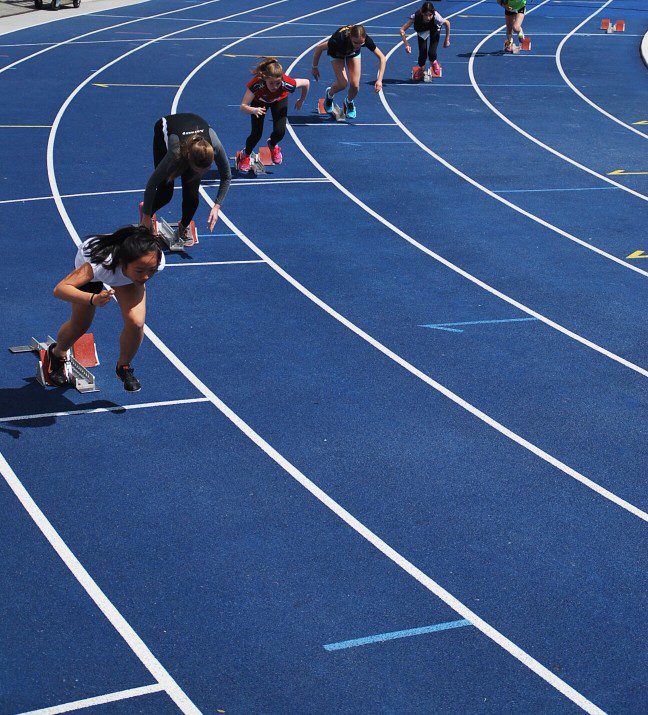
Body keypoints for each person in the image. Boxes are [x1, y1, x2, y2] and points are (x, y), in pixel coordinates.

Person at [48, 226, 167, 393]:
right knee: (80, 324)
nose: (146, 276)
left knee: (136, 322)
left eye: (151, 271)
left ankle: (123, 367)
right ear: (122, 263)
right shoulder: (98, 264)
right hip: (94, 269)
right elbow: (60, 289)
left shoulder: (155, 260)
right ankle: (57, 353)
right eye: (140, 271)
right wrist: (93, 299)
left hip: (125, 275)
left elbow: (143, 270)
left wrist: (138, 273)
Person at [140, 113, 231, 245]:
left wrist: (216, 206)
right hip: (166, 129)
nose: (203, 173)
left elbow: (226, 176)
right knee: (165, 193)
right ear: (190, 161)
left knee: (192, 198)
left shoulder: (214, 145)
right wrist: (147, 216)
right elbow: (152, 183)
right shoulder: (175, 153)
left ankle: (182, 227)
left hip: (193, 128)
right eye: (200, 170)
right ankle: (147, 209)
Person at [236, 57, 309, 173]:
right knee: (256, 135)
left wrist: (301, 100)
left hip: (279, 101)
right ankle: (245, 155)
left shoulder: (287, 84)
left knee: (280, 132)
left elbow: (306, 83)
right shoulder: (257, 84)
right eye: (271, 83)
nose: (275, 87)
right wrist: (253, 110)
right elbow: (243, 106)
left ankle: (272, 144)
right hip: (259, 104)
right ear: (264, 79)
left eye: (277, 83)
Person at [311, 24, 386, 119]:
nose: (358, 46)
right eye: (355, 42)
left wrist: (379, 80)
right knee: (343, 84)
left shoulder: (365, 40)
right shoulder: (338, 40)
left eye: (361, 43)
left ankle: (349, 101)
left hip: (352, 53)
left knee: (355, 85)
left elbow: (382, 58)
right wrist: (314, 67)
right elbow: (319, 48)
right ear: (350, 36)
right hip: (337, 53)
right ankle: (329, 95)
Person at [400, 2, 450, 80]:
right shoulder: (415, 16)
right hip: (422, 30)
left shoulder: (436, 17)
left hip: (434, 28)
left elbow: (447, 23)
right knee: (422, 53)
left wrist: (447, 39)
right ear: (422, 13)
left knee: (431, 53)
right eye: (426, 15)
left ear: (433, 13)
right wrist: (407, 44)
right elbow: (402, 30)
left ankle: (434, 62)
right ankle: (421, 68)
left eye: (430, 15)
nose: (428, 17)